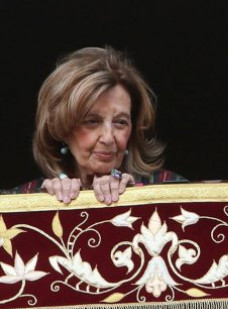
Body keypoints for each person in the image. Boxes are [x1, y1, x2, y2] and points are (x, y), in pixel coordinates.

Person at [7, 46, 185, 204]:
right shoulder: (22, 199)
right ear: (62, 129)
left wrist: (137, 198)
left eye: (120, 122)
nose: (108, 137)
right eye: (92, 121)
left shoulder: (172, 190)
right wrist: (42, 207)